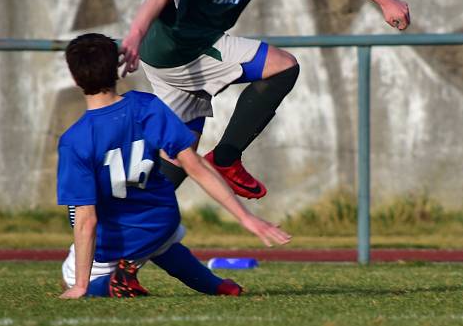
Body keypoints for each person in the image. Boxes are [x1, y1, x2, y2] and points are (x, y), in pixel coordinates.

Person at [119, 0, 410, 199]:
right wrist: (134, 36)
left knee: (176, 163)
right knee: (283, 66)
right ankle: (226, 160)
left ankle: (121, 236)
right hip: (181, 49)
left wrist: (385, 0)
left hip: (179, 64)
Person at [58, 33, 291, 299]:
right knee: (162, 244)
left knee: (71, 279)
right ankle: (217, 285)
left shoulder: (74, 140)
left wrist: (80, 286)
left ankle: (112, 282)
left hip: (116, 240)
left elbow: (86, 219)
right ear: (117, 70)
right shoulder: (147, 106)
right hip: (162, 221)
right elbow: (196, 166)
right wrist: (245, 217)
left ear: (76, 79)